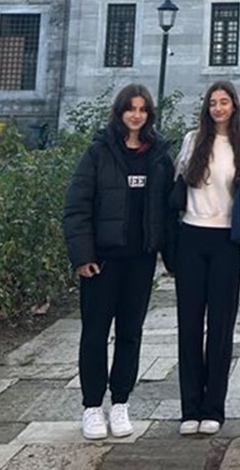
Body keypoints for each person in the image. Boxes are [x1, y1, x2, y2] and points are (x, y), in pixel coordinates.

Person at [63, 84, 175, 440]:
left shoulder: (158, 155)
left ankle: (121, 402)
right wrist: (83, 256)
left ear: (149, 114)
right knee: (95, 333)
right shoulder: (99, 152)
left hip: (140, 260)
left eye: (142, 109)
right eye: (130, 108)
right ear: (120, 112)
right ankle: (92, 406)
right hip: (103, 261)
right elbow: (77, 206)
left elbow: (168, 209)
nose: (136, 115)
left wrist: (171, 257)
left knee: (130, 333)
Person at [174, 80, 240, 436]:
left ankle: (213, 409)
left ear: (234, 106)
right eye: (213, 102)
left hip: (225, 242)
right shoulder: (192, 141)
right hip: (191, 237)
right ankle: (190, 408)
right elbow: (175, 186)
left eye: (224, 102)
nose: (218, 108)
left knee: (221, 327)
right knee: (189, 326)